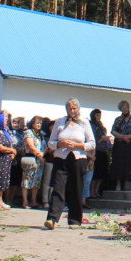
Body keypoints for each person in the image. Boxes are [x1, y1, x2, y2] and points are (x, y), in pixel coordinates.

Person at [45, 98, 96, 229]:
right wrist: (60, 144)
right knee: (58, 187)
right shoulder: (60, 122)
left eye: (74, 108)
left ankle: (74, 220)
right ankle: (52, 218)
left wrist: (78, 145)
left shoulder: (84, 123)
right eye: (69, 109)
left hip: (78, 159)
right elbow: (51, 143)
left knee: (76, 188)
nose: (72, 111)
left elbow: (92, 144)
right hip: (61, 158)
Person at [109, 101, 131, 191]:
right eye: (122, 108)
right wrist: (122, 137)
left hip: (129, 143)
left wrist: (128, 137)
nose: (124, 109)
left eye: (126, 107)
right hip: (119, 144)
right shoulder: (118, 119)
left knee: (128, 162)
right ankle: (118, 183)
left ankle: (126, 182)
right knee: (118, 163)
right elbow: (113, 131)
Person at [21, 115, 46, 209]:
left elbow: (45, 146)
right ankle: (25, 202)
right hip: (31, 158)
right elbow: (31, 146)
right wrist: (40, 156)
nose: (39, 125)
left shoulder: (41, 134)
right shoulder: (29, 132)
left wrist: (43, 154)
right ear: (32, 123)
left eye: (40, 123)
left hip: (39, 161)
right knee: (27, 181)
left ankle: (33, 201)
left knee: (36, 182)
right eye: (37, 123)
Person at [88, 109, 109, 201]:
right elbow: (93, 140)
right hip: (96, 150)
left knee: (102, 174)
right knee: (95, 174)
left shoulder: (101, 126)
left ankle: (96, 190)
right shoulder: (91, 126)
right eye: (97, 115)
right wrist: (102, 138)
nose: (98, 117)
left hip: (103, 151)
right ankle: (91, 191)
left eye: (99, 115)